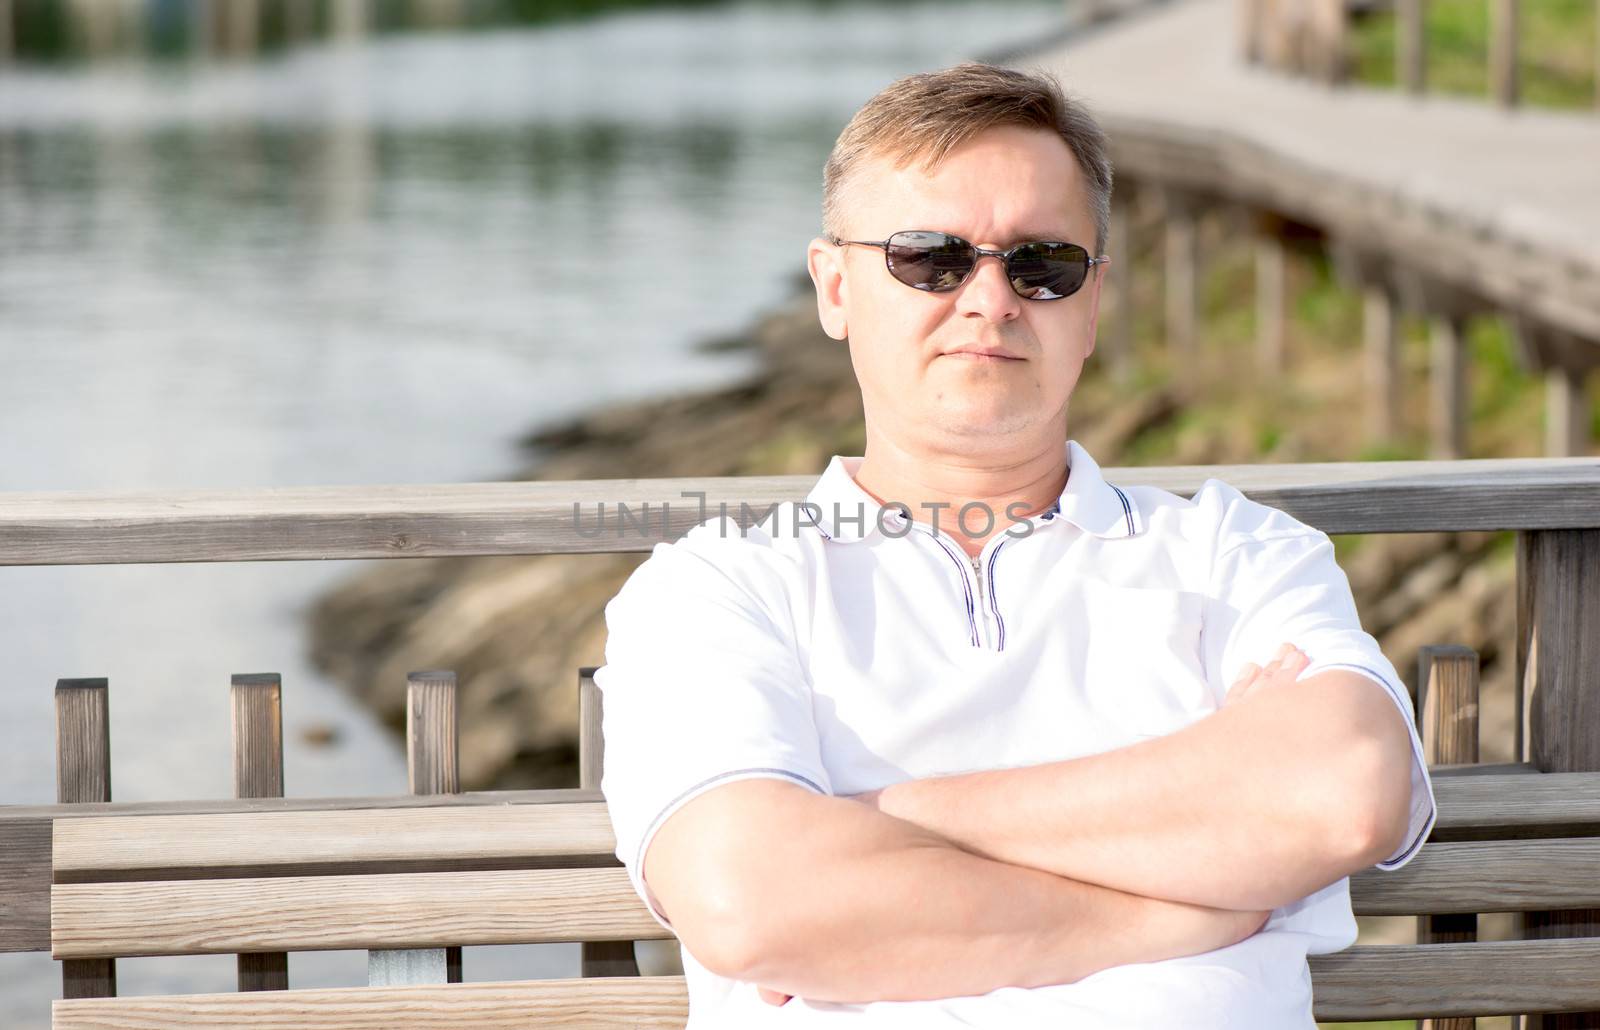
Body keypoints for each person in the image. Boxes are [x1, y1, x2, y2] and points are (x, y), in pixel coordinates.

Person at [594, 61, 1435, 1029]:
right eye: (930, 257)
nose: (991, 299)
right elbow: (748, 898)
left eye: (1042, 263)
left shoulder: (1230, 553)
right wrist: (1184, 902)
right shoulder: (717, 588)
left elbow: (1340, 796)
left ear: (1093, 301)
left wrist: (876, 822)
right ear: (833, 287)